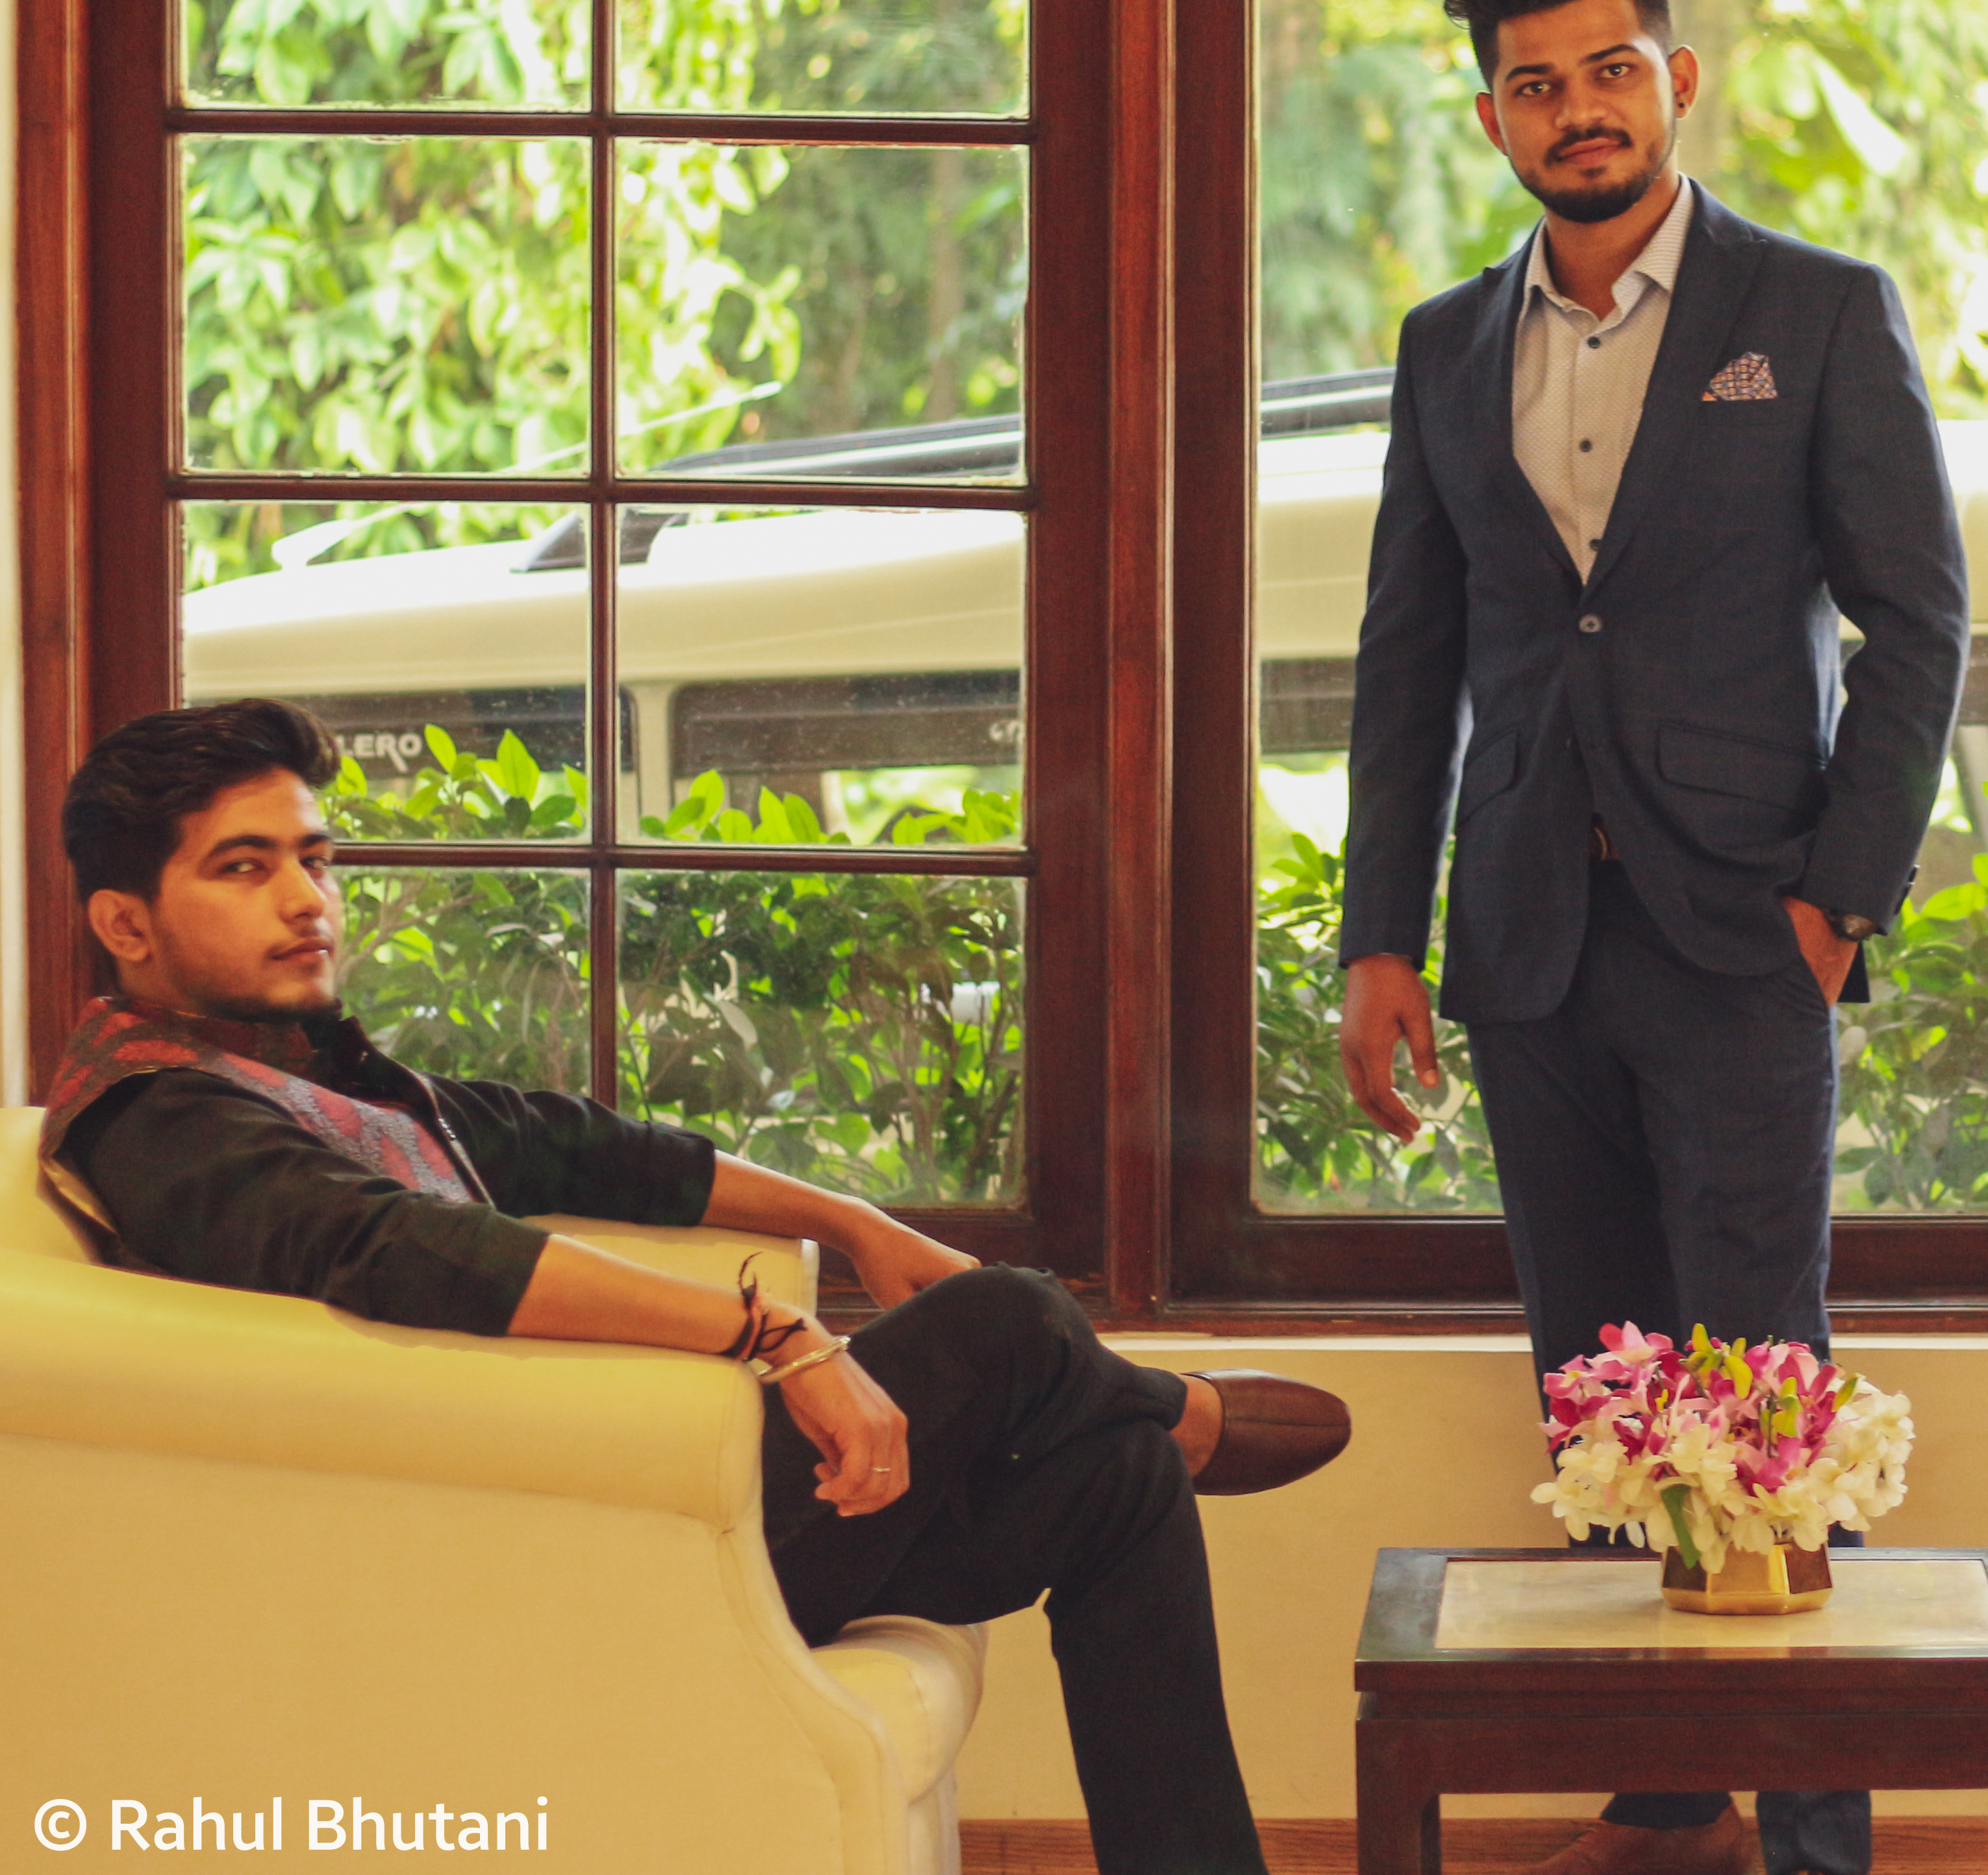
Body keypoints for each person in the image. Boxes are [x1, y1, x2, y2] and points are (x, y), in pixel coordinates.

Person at [38, 699, 1352, 1875]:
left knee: (1116, 1478)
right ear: (125, 923)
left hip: (619, 1497)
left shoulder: (290, 1072)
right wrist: (776, 1334)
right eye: (245, 867)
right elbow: (403, 1250)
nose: (306, 899)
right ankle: (1174, 1408)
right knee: (1011, 1319)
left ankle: (1148, 1476)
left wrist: (849, 1221)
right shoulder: (163, 1119)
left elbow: (576, 1144)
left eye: (316, 858)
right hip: (543, 1552)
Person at [1333, 0, 1970, 1875]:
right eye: (1535, 84)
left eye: (1611, 69)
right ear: (1493, 118)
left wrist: (1838, 904)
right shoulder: (1448, 347)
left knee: (1765, 1378)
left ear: (1675, 79)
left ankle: (1819, 1835)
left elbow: (1920, 624)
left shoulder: (1820, 311)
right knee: (1598, 1379)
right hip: (1529, 938)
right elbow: (1406, 661)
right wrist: (1379, 938)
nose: (1578, 109)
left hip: (1741, 932)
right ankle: (1673, 1785)